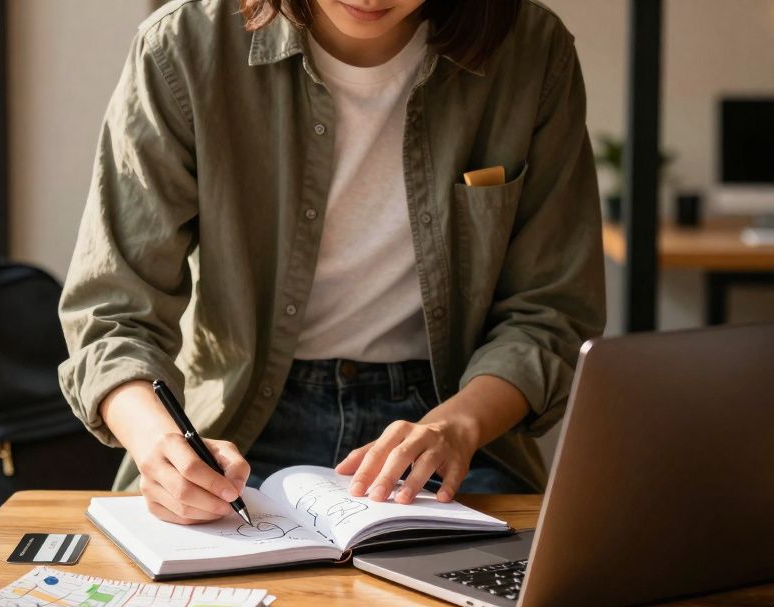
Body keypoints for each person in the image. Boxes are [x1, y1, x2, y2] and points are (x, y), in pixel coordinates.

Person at [59, 0, 605, 525]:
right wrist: (160, 445)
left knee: (502, 606)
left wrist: (457, 426)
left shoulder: (529, 50)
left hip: (452, 415)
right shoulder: (184, 46)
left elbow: (551, 312)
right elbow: (113, 309)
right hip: (244, 419)